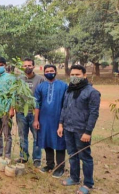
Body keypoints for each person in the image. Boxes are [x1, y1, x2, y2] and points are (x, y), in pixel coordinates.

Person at [59, 65, 100, 194]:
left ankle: (88, 184)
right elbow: (64, 108)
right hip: (68, 128)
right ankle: (74, 178)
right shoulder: (69, 90)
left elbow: (94, 114)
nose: (74, 77)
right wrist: (61, 124)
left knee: (85, 156)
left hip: (81, 130)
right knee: (72, 154)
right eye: (72, 75)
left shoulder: (92, 92)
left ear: (84, 76)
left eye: (77, 75)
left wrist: (88, 132)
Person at [33, 65, 67, 178]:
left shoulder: (63, 86)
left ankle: (60, 167)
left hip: (59, 119)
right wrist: (36, 120)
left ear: (56, 72)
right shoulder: (40, 87)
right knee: (47, 141)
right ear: (44, 73)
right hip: (44, 119)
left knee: (59, 142)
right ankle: (49, 164)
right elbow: (37, 104)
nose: (49, 73)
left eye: (51, 71)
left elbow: (66, 104)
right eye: (47, 71)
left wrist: (62, 121)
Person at [16, 58, 44, 167]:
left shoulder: (40, 79)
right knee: (23, 136)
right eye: (25, 65)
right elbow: (15, 95)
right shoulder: (19, 79)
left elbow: (42, 96)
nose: (27, 67)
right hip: (21, 112)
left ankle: (37, 159)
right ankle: (23, 157)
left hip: (35, 113)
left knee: (37, 136)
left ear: (33, 66)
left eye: (29, 65)